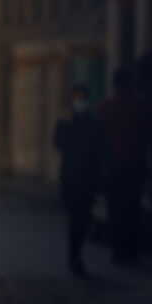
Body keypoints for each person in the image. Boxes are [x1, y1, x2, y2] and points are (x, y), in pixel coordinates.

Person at [52, 84, 107, 276]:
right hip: (70, 177)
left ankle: (75, 252)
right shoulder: (64, 120)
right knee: (75, 217)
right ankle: (74, 255)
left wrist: (102, 169)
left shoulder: (94, 121)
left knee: (84, 219)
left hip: (89, 178)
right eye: (75, 98)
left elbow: (102, 146)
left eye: (81, 98)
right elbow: (57, 143)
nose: (78, 101)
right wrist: (67, 125)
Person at [98, 68, 149, 264]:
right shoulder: (140, 107)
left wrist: (100, 165)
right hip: (135, 166)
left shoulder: (105, 107)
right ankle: (131, 250)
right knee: (133, 208)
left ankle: (118, 250)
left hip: (112, 168)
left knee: (115, 209)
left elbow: (98, 140)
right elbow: (150, 138)